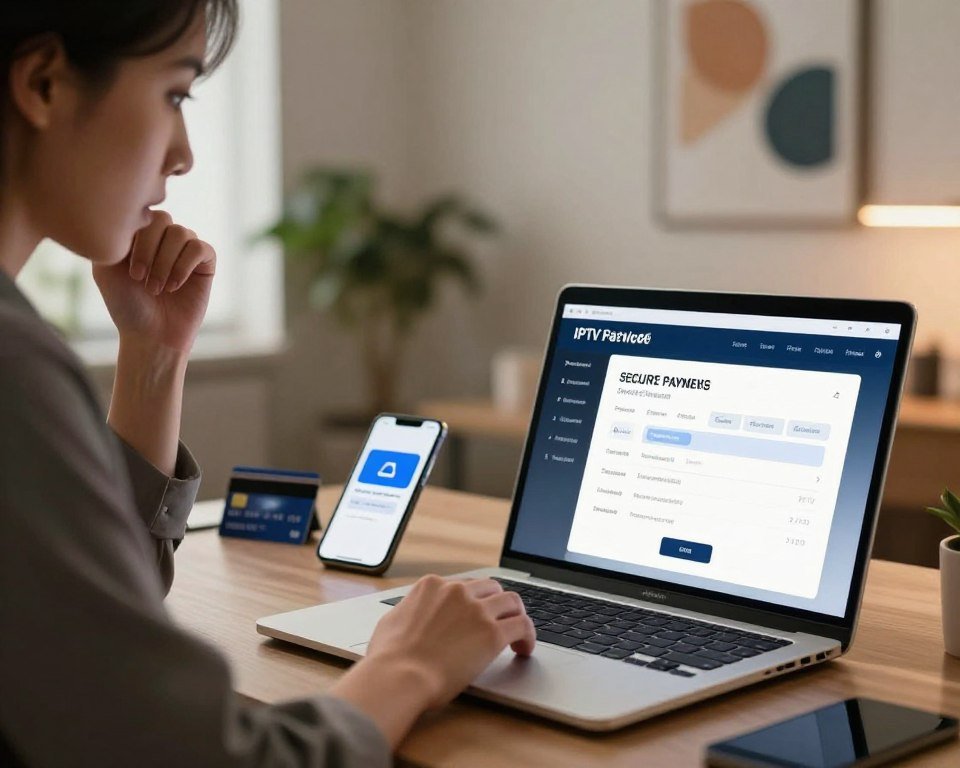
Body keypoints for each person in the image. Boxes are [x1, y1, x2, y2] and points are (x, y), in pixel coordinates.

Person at [0, 2, 536, 766]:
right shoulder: (13, 369)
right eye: (175, 95)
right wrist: (409, 663)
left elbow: (103, 602)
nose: (183, 154)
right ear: (45, 83)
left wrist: (153, 354)